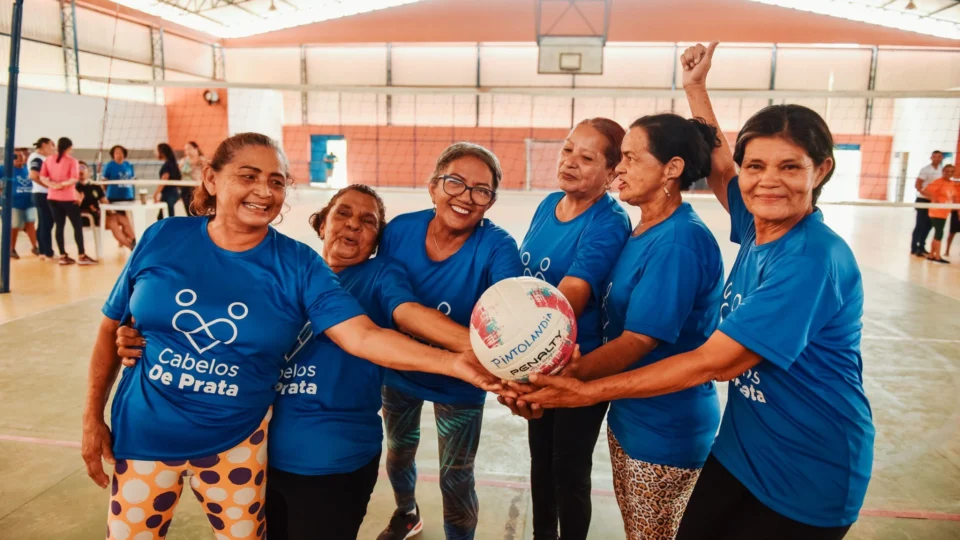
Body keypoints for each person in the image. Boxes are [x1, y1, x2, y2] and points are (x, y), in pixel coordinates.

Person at [521, 43, 875, 540]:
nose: (767, 181)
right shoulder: (757, 227)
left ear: (822, 171)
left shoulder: (813, 259)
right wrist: (695, 89)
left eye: (790, 167)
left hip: (808, 466)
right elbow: (721, 167)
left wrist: (581, 389)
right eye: (758, 167)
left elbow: (716, 362)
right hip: (741, 449)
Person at [81, 133, 499, 540]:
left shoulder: (301, 267)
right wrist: (97, 405)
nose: (264, 190)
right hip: (147, 435)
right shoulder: (162, 237)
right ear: (211, 178)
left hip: (239, 445)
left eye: (277, 181)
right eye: (248, 176)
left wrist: (457, 358)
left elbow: (365, 335)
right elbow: (113, 322)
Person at [376, 142, 524, 540]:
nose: (465, 197)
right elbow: (382, 295)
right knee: (398, 453)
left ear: (490, 202)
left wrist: (531, 364)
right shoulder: (399, 231)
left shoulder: (498, 248)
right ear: (432, 186)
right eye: (454, 182)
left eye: (481, 190)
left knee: (456, 477)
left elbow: (514, 318)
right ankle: (407, 513)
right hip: (402, 369)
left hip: (463, 380)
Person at [511, 118, 630, 540]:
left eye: (587, 157)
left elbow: (570, 296)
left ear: (613, 173)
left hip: (580, 363)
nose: (570, 162)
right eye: (567, 150)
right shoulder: (548, 206)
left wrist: (509, 341)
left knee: (569, 469)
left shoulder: (609, 222)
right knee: (540, 461)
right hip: (536, 358)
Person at [41, 137, 97, 266]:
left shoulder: (48, 160)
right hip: (68, 198)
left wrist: (53, 185)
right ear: (69, 148)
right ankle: (82, 255)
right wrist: (61, 185)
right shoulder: (72, 161)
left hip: (52, 197)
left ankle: (62, 255)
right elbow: (74, 178)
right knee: (77, 226)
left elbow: (43, 177)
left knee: (59, 226)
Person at [77, 161, 137, 251]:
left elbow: (104, 201)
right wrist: (79, 200)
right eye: (77, 169)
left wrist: (111, 211)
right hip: (87, 217)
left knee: (122, 218)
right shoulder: (74, 188)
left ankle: (135, 242)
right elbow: (74, 207)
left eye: (82, 168)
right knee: (113, 221)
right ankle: (132, 247)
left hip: (100, 215)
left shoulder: (95, 186)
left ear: (88, 170)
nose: (80, 171)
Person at [2, 148, 38, 259]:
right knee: (15, 226)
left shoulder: (28, 169)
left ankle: (35, 247)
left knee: (31, 224)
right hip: (14, 204)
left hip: (29, 203)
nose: (19, 158)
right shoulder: (6, 169)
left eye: (21, 155)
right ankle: (11, 249)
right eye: (16, 156)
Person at [911, 150, 944, 256]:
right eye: (935, 156)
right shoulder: (926, 170)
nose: (937, 158)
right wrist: (930, 196)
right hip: (923, 200)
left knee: (929, 225)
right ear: (931, 157)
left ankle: (921, 247)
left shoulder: (941, 170)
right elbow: (918, 185)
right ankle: (914, 248)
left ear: (941, 158)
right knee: (920, 225)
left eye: (939, 157)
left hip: (934, 202)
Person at [28, 137, 56, 260]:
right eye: (51, 145)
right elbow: (34, 176)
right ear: (44, 145)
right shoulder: (36, 158)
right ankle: (46, 252)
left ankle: (43, 251)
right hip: (41, 194)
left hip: (45, 194)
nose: (53, 148)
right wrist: (51, 187)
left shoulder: (45, 158)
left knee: (46, 222)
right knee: (46, 222)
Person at [921, 164, 955, 264]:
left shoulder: (951, 183)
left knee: (937, 232)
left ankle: (932, 254)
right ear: (943, 171)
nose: (949, 173)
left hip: (944, 211)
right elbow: (925, 190)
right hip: (937, 211)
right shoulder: (938, 182)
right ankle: (937, 256)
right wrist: (933, 198)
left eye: (951, 171)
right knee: (939, 233)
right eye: (947, 171)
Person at [154, 143, 182, 219]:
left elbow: (164, 181)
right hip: (173, 193)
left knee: (165, 217)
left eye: (156, 151)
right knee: (164, 216)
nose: (155, 153)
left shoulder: (167, 165)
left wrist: (156, 194)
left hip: (169, 195)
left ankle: (172, 230)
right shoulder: (173, 163)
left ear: (161, 152)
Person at [179, 141, 206, 215]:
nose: (187, 151)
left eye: (189, 148)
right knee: (188, 211)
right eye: (186, 149)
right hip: (185, 189)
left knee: (198, 211)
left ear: (196, 148)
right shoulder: (183, 161)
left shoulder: (202, 161)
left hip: (197, 188)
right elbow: (179, 174)